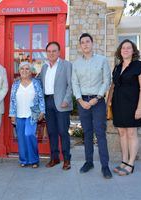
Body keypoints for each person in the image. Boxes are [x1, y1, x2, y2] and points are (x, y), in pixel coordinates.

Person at [72, 33, 112, 179]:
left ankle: (105, 166)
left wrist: (97, 98)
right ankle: (89, 162)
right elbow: (75, 83)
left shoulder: (102, 60)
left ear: (92, 43)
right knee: (87, 133)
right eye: (82, 42)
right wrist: (80, 100)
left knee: (100, 134)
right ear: (80, 46)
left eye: (87, 41)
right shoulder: (76, 64)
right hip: (83, 103)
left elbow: (107, 80)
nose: (85, 44)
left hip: (98, 102)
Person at [107, 39, 141, 176]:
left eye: (128, 48)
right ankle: (124, 161)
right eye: (123, 48)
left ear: (133, 51)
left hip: (132, 105)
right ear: (120, 51)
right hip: (118, 105)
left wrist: (139, 108)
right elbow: (113, 86)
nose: (125, 50)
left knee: (131, 133)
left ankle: (131, 163)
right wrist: (108, 103)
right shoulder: (117, 67)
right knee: (122, 133)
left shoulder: (140, 66)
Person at [38, 41, 73, 170]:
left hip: (61, 103)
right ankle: (55, 158)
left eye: (54, 51)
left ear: (59, 52)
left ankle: (67, 159)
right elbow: (38, 82)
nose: (51, 53)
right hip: (48, 102)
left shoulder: (66, 65)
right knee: (52, 132)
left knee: (63, 132)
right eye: (49, 51)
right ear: (46, 53)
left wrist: (67, 100)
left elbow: (71, 84)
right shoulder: (44, 67)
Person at [9, 62, 45, 168]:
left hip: (32, 115)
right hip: (19, 115)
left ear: (31, 71)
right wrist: (12, 114)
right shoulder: (15, 84)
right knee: (21, 138)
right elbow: (12, 100)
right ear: (19, 71)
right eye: (22, 69)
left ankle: (34, 159)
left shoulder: (36, 83)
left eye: (27, 69)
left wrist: (42, 111)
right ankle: (23, 159)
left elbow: (41, 98)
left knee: (29, 134)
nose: (24, 71)